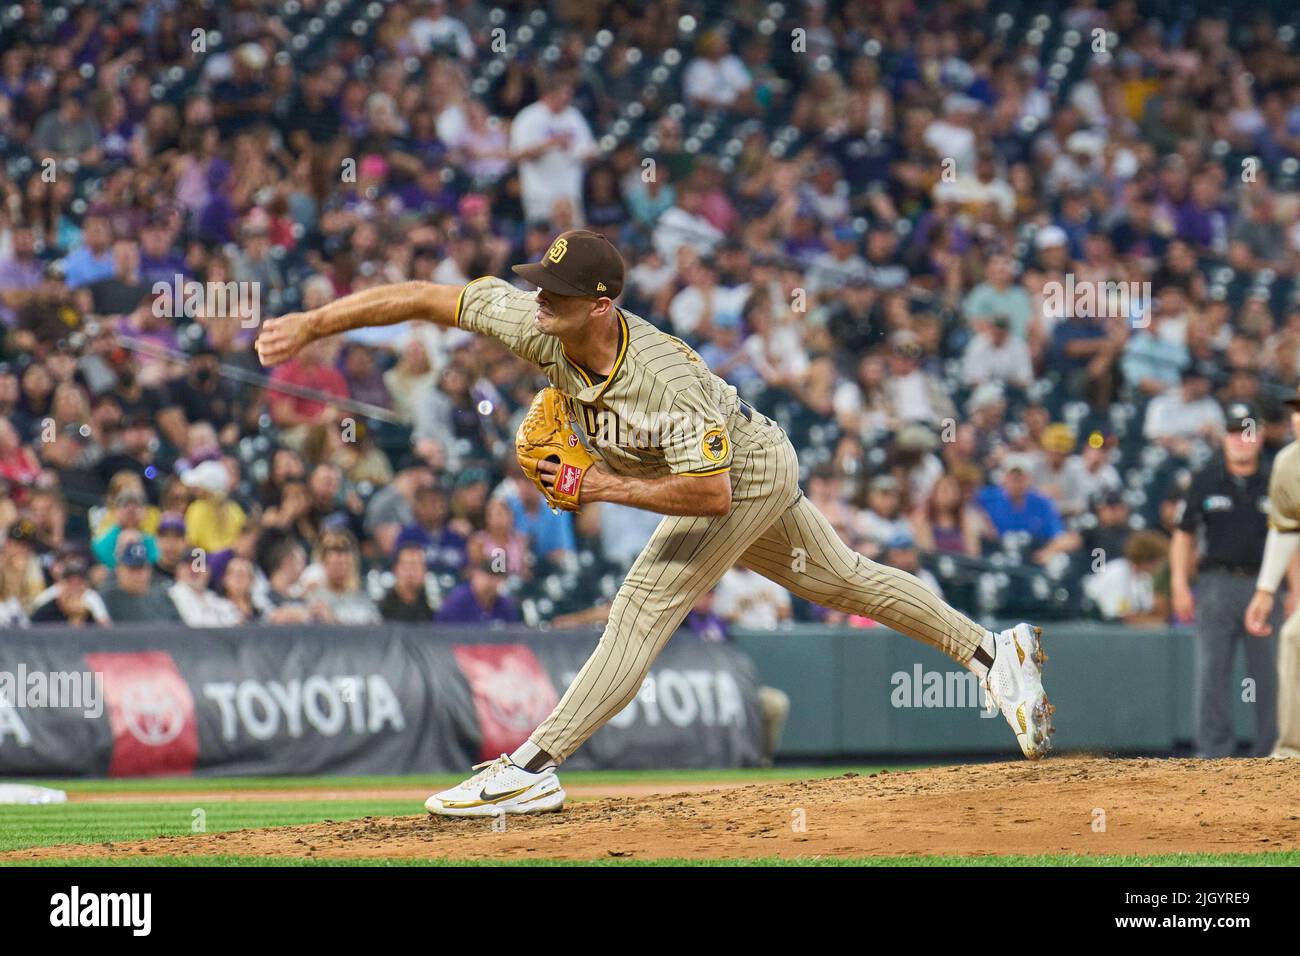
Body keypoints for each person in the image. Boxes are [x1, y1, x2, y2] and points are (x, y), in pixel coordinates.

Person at [256, 227, 1053, 818]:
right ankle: (994, 652)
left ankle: (535, 765)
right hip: (743, 463)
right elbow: (433, 298)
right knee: (844, 579)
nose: (538, 299)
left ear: (601, 306)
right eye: (538, 284)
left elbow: (707, 496)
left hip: (738, 477)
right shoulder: (540, 323)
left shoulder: (661, 380)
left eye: (556, 292)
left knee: (640, 608)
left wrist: (594, 484)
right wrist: (314, 325)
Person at [1171, 403, 1278, 757]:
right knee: (1212, 671)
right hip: (1216, 584)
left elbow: (1291, 538)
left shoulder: (1276, 479)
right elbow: (1183, 534)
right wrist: (1179, 585)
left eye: (1248, 432)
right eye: (1235, 432)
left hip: (1264, 586)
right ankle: (1213, 752)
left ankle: (1273, 751)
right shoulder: (1205, 478)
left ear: (1259, 437)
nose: (1241, 440)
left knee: (1271, 674)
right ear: (1225, 438)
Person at [100, 539, 183, 624]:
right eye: (132, 569)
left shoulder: (161, 596)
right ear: (119, 570)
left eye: (141, 568)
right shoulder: (107, 597)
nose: (138, 575)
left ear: (149, 570)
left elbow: (179, 629)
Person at [379, 542, 437, 622]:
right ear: (395, 569)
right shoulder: (381, 610)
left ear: (425, 571)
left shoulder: (434, 609)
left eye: (416, 566)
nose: (411, 573)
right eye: (406, 566)